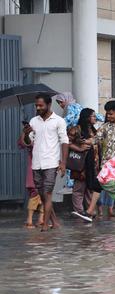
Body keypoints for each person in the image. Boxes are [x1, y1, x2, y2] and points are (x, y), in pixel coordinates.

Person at [27, 94, 68, 229]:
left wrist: (63, 163)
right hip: (36, 163)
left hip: (51, 163)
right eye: (36, 105)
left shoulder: (59, 121)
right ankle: (55, 222)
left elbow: (64, 142)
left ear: (49, 105)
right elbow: (28, 142)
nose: (38, 108)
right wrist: (25, 133)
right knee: (43, 195)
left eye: (41, 105)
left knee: (48, 193)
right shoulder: (33, 121)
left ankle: (45, 223)